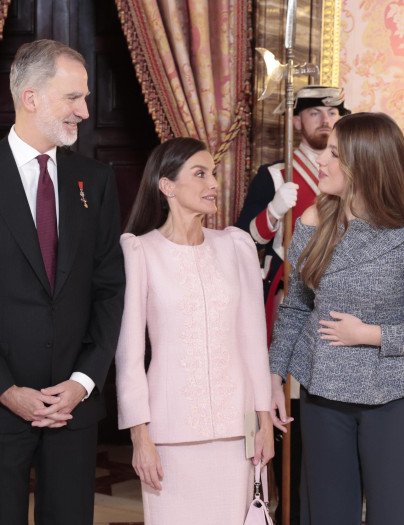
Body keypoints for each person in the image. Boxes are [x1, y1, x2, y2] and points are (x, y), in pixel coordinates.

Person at [0, 39, 126, 525]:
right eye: (73, 98)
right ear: (32, 97)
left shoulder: (95, 181)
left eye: (85, 98)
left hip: (73, 406)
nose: (84, 111)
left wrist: (83, 382)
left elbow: (109, 291)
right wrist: (6, 389)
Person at [268, 112, 404, 525]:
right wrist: (273, 377)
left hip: (392, 398)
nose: (321, 160)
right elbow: (296, 307)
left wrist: (368, 334)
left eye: (334, 153)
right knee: (325, 514)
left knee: (391, 516)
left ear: (365, 163)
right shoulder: (312, 221)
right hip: (323, 395)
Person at [115, 137, 275, 523]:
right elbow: (129, 355)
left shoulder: (235, 246)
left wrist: (263, 424)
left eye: (214, 174)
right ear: (167, 186)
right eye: (200, 174)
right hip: (170, 437)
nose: (213, 183)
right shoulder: (140, 251)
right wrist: (141, 437)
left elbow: (253, 345)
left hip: (238, 435)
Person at [234, 85, 348, 332]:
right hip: (289, 286)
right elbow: (242, 242)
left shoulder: (354, 175)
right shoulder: (273, 175)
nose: (325, 120)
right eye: (315, 113)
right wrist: (273, 211)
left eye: (332, 113)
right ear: (297, 122)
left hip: (343, 289)